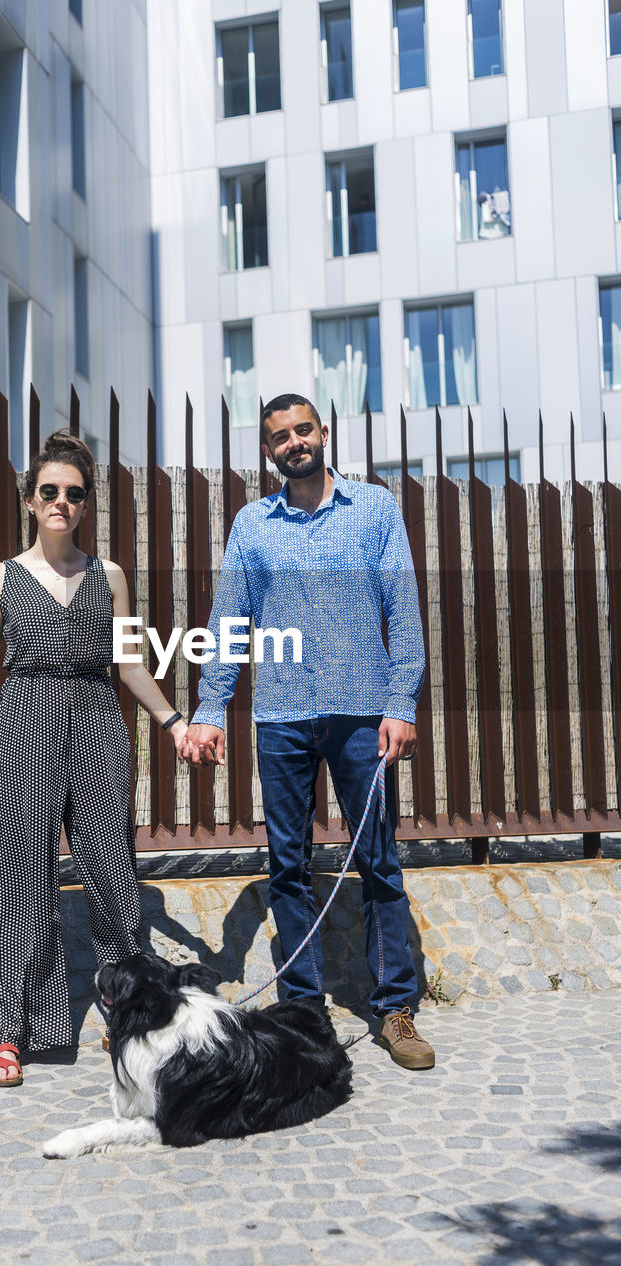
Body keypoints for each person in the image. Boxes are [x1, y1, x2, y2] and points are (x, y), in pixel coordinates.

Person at [180, 393, 434, 1069]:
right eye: (280, 436)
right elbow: (231, 621)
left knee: (377, 857)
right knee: (287, 867)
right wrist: (210, 710)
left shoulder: (374, 509)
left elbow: (403, 612)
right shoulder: (253, 525)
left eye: (303, 429)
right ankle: (302, 1012)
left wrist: (400, 703)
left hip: (360, 714)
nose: (294, 441)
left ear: (323, 433)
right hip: (283, 717)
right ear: (267, 452)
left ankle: (396, 1010)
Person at [0, 432, 187, 1085]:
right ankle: (12, 1033)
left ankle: (133, 1020)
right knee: (22, 880)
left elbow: (128, 664)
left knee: (114, 873)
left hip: (95, 721)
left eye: (75, 494)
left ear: (86, 505)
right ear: (31, 500)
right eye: (50, 491)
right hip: (24, 720)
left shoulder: (109, 576)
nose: (62, 502)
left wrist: (171, 720)